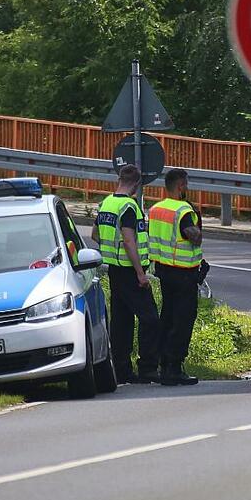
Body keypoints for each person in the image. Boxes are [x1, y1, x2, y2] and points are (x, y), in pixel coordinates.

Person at [92, 164, 159, 384]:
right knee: (150, 319)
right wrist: (141, 273)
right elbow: (129, 241)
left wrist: (112, 248)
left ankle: (121, 370)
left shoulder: (106, 204)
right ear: (138, 184)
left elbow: (95, 235)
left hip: (113, 270)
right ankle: (148, 368)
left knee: (121, 321)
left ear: (119, 179)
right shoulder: (129, 207)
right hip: (130, 272)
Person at [148, 168, 202, 386]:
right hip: (184, 272)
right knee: (183, 320)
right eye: (186, 184)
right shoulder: (184, 211)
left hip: (163, 271)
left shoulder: (156, 208)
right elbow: (195, 238)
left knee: (167, 316)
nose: (187, 188)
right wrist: (197, 223)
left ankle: (163, 364)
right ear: (180, 186)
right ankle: (174, 367)